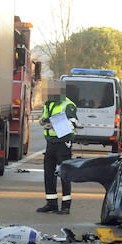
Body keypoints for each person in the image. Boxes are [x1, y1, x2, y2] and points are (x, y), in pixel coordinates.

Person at [36, 80, 78, 214]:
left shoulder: (68, 105)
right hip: (51, 142)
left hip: (63, 143)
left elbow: (72, 123)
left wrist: (52, 124)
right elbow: (43, 119)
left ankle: (66, 206)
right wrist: (44, 121)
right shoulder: (49, 104)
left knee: (64, 173)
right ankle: (51, 203)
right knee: (49, 173)